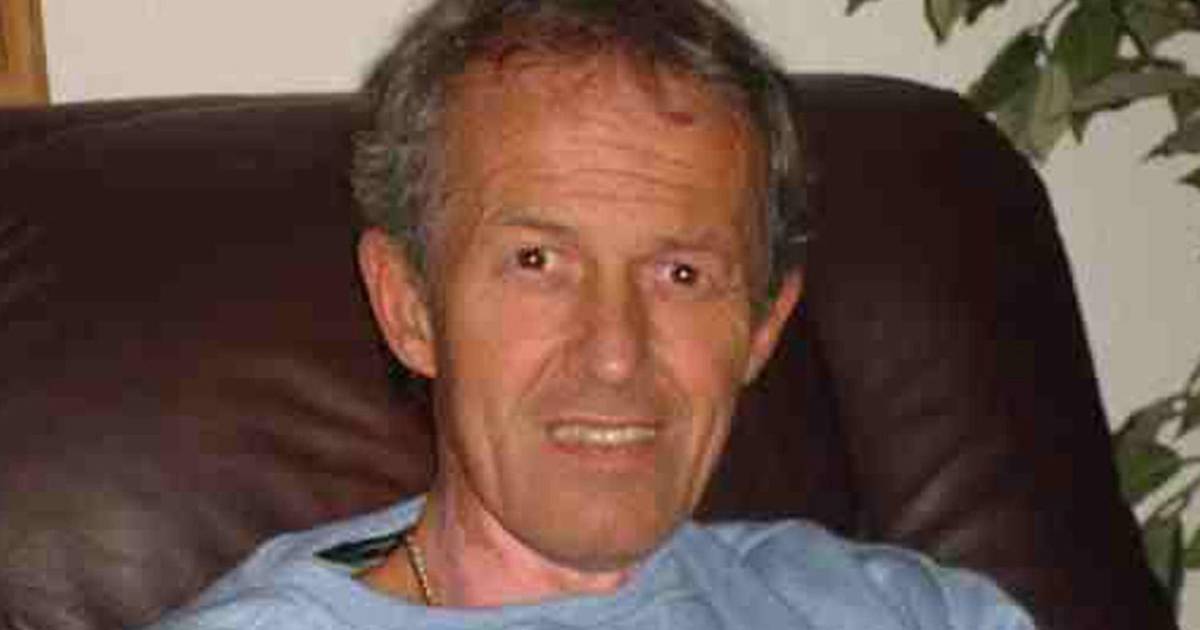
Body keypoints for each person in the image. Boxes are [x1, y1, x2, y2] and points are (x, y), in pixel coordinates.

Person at [148, 0, 1035, 627]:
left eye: (681, 273)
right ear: (409, 305)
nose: (615, 353)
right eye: (538, 262)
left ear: (763, 326)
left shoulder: (911, 612)